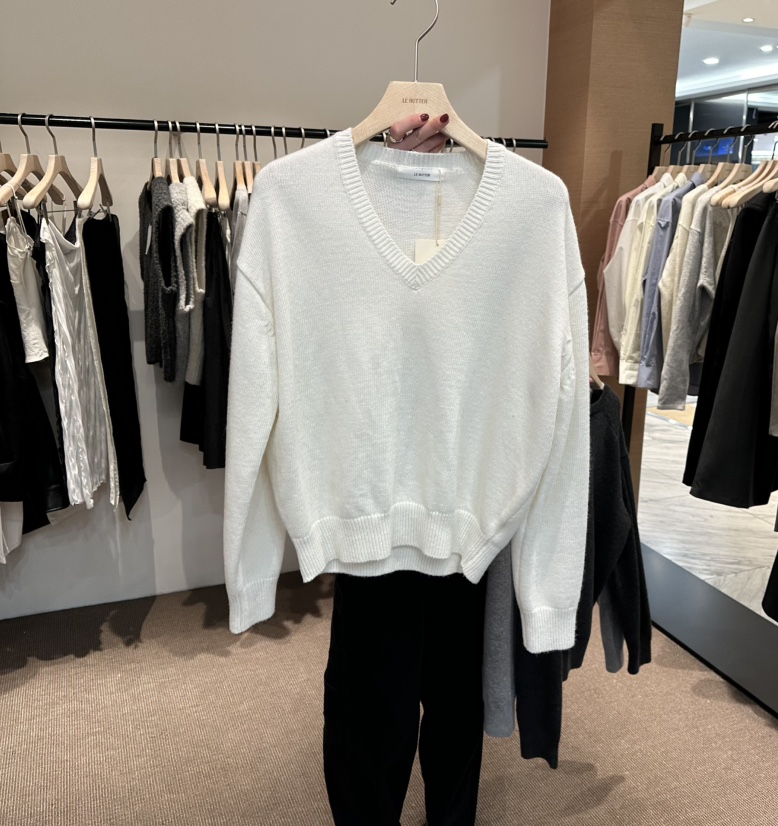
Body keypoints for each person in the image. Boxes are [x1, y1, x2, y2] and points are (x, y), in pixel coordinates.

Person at [321, 113, 486, 826]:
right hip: (374, 502)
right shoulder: (323, 205)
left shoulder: (514, 206)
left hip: (468, 501)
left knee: (452, 696)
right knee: (373, 701)